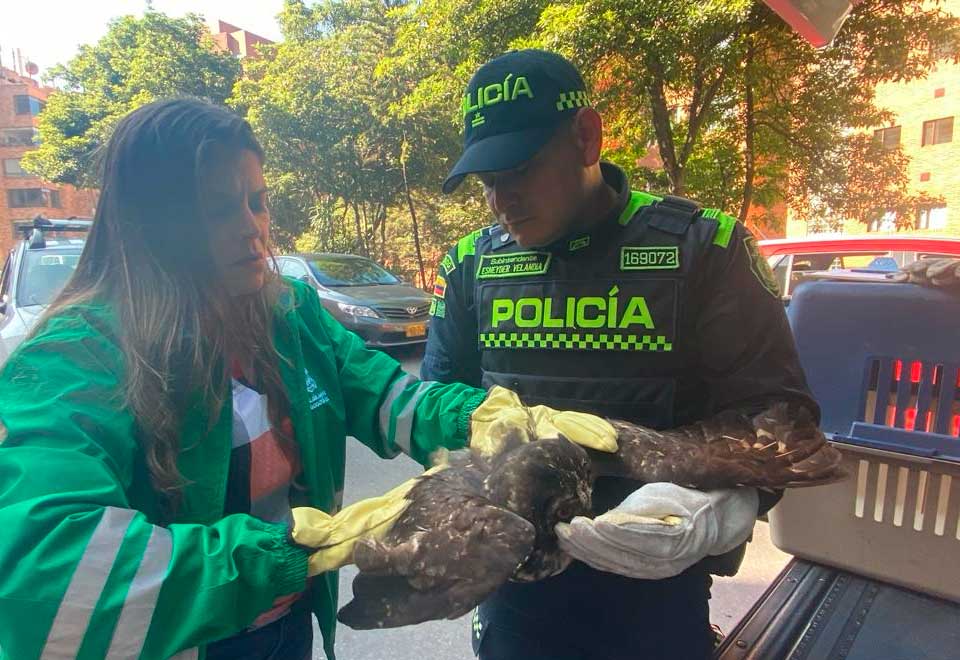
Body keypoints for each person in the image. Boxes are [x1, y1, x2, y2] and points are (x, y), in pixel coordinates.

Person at [0, 98, 618, 660]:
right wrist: (282, 555)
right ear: (153, 224)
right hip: (184, 642)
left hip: (289, 622)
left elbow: (387, 395)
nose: (251, 226)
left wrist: (482, 419)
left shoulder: (289, 313)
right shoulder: (77, 354)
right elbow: (43, 566)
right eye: (219, 209)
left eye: (257, 201)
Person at [422, 49, 819, 660]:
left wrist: (715, 506)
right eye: (487, 182)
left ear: (586, 136)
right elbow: (435, 413)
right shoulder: (472, 264)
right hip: (516, 590)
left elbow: (785, 421)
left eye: (520, 170)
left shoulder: (706, 249)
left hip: (657, 594)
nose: (502, 200)